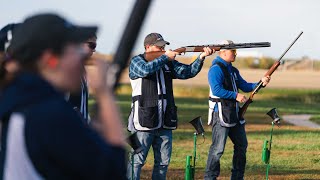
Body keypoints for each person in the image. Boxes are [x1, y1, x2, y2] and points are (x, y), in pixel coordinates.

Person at [0, 13, 126, 179]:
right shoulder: (47, 112)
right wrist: (105, 94)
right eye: (75, 48)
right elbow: (113, 172)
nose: (83, 55)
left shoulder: (19, 99)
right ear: (50, 59)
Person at [127, 32, 214, 180]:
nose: (163, 49)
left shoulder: (166, 62)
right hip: (142, 121)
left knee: (163, 163)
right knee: (136, 161)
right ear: (148, 47)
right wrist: (165, 57)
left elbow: (187, 72)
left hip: (165, 121)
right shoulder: (137, 61)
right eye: (159, 46)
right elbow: (145, 70)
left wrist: (201, 57)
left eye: (164, 46)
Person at [204, 40, 271, 180]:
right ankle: (209, 177)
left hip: (234, 114)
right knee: (217, 150)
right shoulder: (216, 69)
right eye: (233, 51)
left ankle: (237, 177)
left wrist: (261, 83)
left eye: (235, 51)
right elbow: (217, 90)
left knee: (241, 145)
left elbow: (245, 86)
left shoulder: (233, 70)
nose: (235, 54)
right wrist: (235, 95)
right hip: (220, 113)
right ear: (223, 52)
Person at [67, 35, 97, 123]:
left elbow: (82, 105)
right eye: (92, 45)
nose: (94, 50)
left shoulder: (82, 70)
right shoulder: (68, 70)